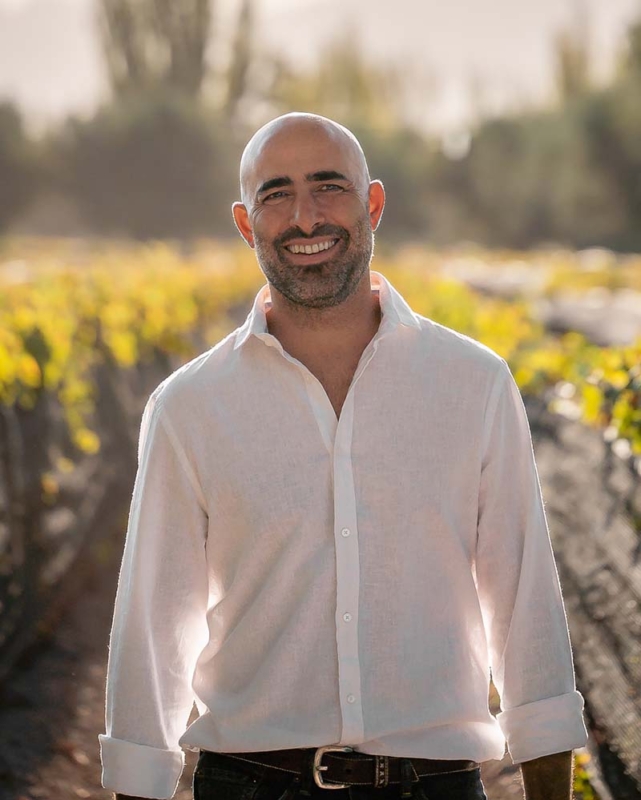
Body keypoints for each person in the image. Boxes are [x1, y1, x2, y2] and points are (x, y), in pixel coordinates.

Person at [99, 112, 588, 800]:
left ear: (373, 205)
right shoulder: (189, 406)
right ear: (246, 223)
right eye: (276, 194)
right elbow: (153, 628)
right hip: (246, 785)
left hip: (435, 785)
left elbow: (524, 602)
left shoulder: (473, 384)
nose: (304, 218)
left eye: (328, 187)